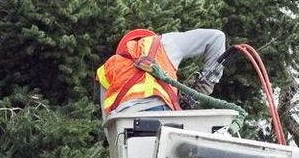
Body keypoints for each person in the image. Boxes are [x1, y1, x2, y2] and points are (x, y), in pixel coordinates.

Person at [97, 28, 227, 118]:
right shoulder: (164, 42)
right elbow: (217, 37)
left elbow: (107, 121)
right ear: (150, 36)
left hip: (123, 120)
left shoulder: (109, 66)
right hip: (160, 112)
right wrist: (206, 84)